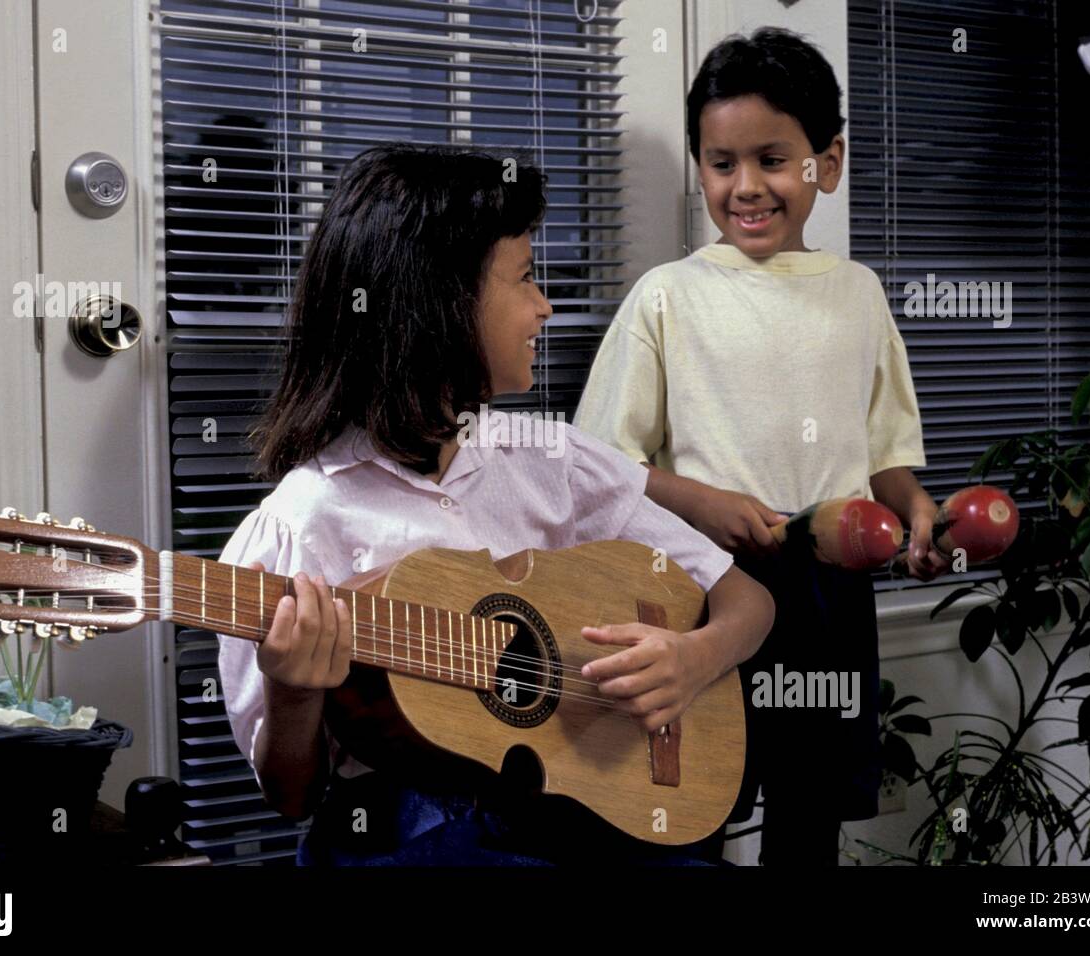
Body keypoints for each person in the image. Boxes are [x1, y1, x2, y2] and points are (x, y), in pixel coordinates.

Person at [216, 143, 775, 865]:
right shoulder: (301, 526)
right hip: (408, 834)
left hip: (576, 814)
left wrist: (693, 659)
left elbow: (746, 599)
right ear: (440, 304)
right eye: (525, 278)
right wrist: (291, 695)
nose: (546, 305)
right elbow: (292, 794)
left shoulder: (550, 460)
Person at [573, 27, 945, 866]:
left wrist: (917, 513)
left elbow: (883, 451)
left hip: (833, 594)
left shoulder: (859, 294)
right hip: (707, 591)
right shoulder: (667, 296)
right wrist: (700, 502)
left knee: (809, 819)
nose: (746, 187)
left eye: (773, 159)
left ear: (828, 162)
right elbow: (598, 469)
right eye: (721, 162)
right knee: (694, 802)